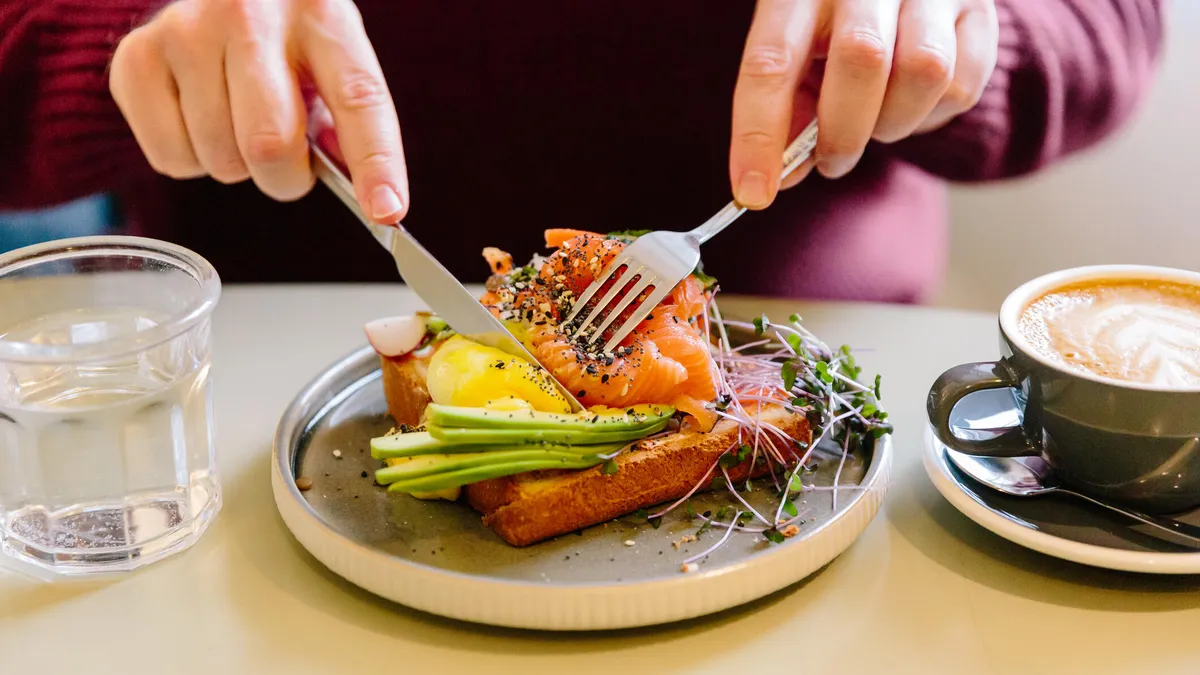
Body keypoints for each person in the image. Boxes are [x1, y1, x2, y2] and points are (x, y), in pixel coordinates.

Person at [0, 0, 1165, 302]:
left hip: (833, 442)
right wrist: (128, 49)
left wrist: (954, 45)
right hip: (270, 432)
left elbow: (1115, 29)